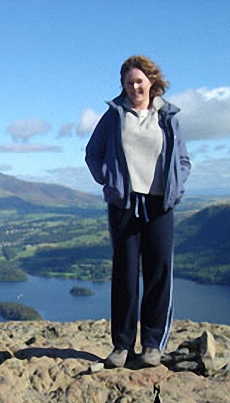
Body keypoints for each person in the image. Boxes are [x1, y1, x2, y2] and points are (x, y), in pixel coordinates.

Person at [85, 55, 191, 368]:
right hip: (125, 204)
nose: (134, 87)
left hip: (159, 204)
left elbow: (183, 160)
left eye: (139, 81)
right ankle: (121, 346)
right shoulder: (115, 116)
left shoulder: (168, 117)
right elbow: (93, 154)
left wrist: (177, 187)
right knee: (125, 275)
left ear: (151, 82)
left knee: (158, 273)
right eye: (129, 82)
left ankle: (153, 345)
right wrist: (110, 180)